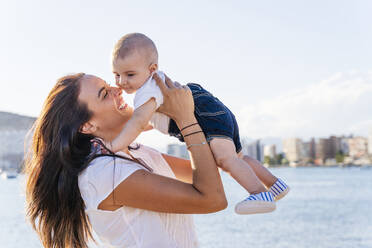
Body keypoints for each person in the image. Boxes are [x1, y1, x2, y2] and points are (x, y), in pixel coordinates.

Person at [25, 73, 227, 248]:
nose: (118, 89)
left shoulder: (133, 152)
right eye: (104, 94)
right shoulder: (103, 172)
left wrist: (175, 113)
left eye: (109, 84)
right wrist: (185, 119)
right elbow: (212, 199)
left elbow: (208, 173)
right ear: (87, 126)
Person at [109, 33, 290, 215]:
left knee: (225, 159)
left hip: (204, 116)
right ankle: (275, 185)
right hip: (214, 112)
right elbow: (149, 123)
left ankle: (259, 193)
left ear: (152, 69)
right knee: (238, 158)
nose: (122, 82)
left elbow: (138, 122)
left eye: (129, 74)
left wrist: (114, 145)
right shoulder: (155, 87)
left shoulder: (146, 90)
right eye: (116, 75)